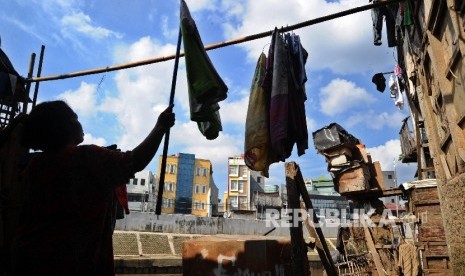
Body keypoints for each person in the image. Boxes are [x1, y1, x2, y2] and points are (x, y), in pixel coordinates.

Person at [10, 100, 175, 276]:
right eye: (75, 118)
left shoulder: (34, 166)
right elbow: (134, 161)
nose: (80, 122)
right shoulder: (84, 157)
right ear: (63, 126)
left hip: (30, 260)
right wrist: (160, 127)